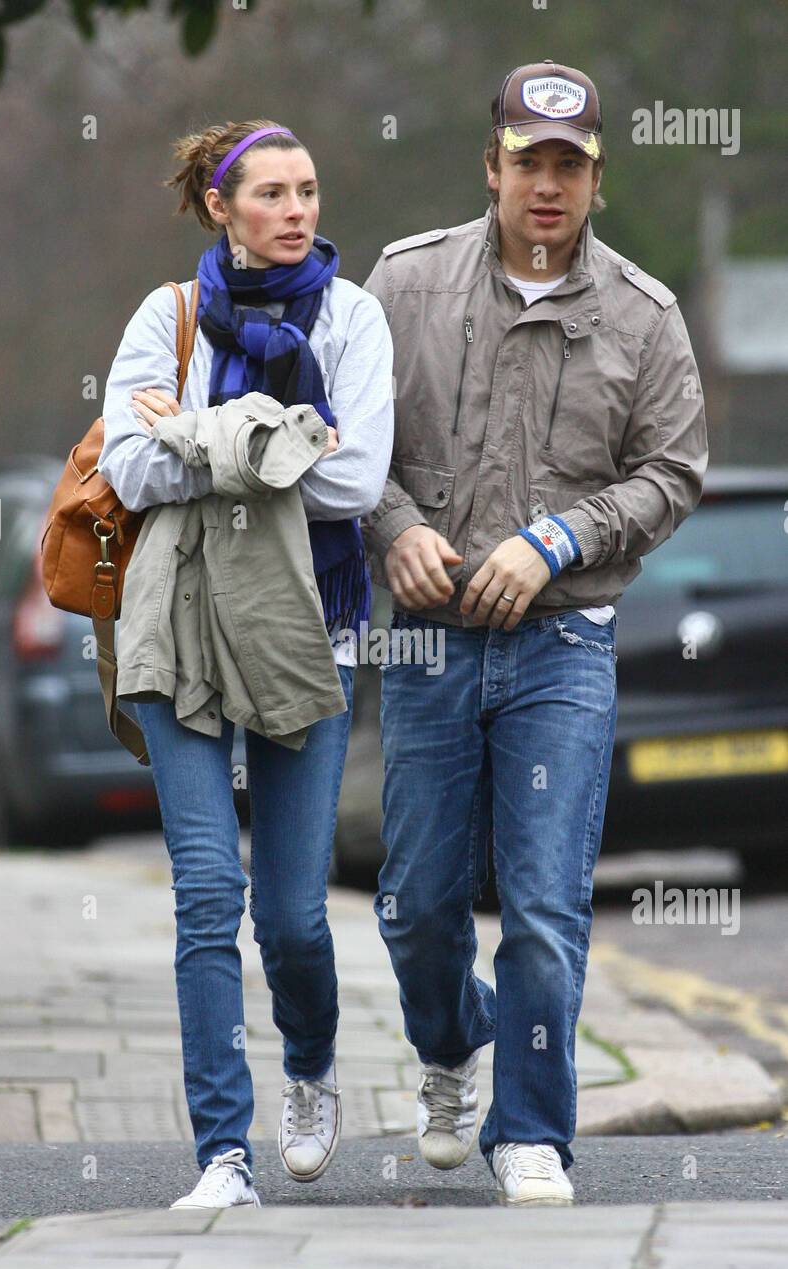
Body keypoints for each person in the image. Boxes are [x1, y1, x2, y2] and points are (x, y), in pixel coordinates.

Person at [361, 61, 708, 1205]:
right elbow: (343, 445)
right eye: (528, 162)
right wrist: (397, 527)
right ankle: (453, 1042)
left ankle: (533, 1133)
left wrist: (557, 539)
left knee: (546, 910)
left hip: (564, 649)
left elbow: (675, 472)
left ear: (596, 177)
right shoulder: (403, 285)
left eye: (570, 164)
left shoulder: (645, 316)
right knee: (414, 904)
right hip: (425, 644)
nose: (547, 184)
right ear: (493, 167)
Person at [97, 119, 394, 1208]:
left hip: (309, 632)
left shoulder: (354, 317)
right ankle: (223, 1154)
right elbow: (128, 464)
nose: (297, 210)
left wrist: (200, 435)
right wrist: (267, 442)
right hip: (176, 630)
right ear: (221, 209)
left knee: (293, 918)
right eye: (270, 192)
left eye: (308, 189)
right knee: (206, 895)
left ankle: (309, 1067)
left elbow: (355, 479)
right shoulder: (166, 318)